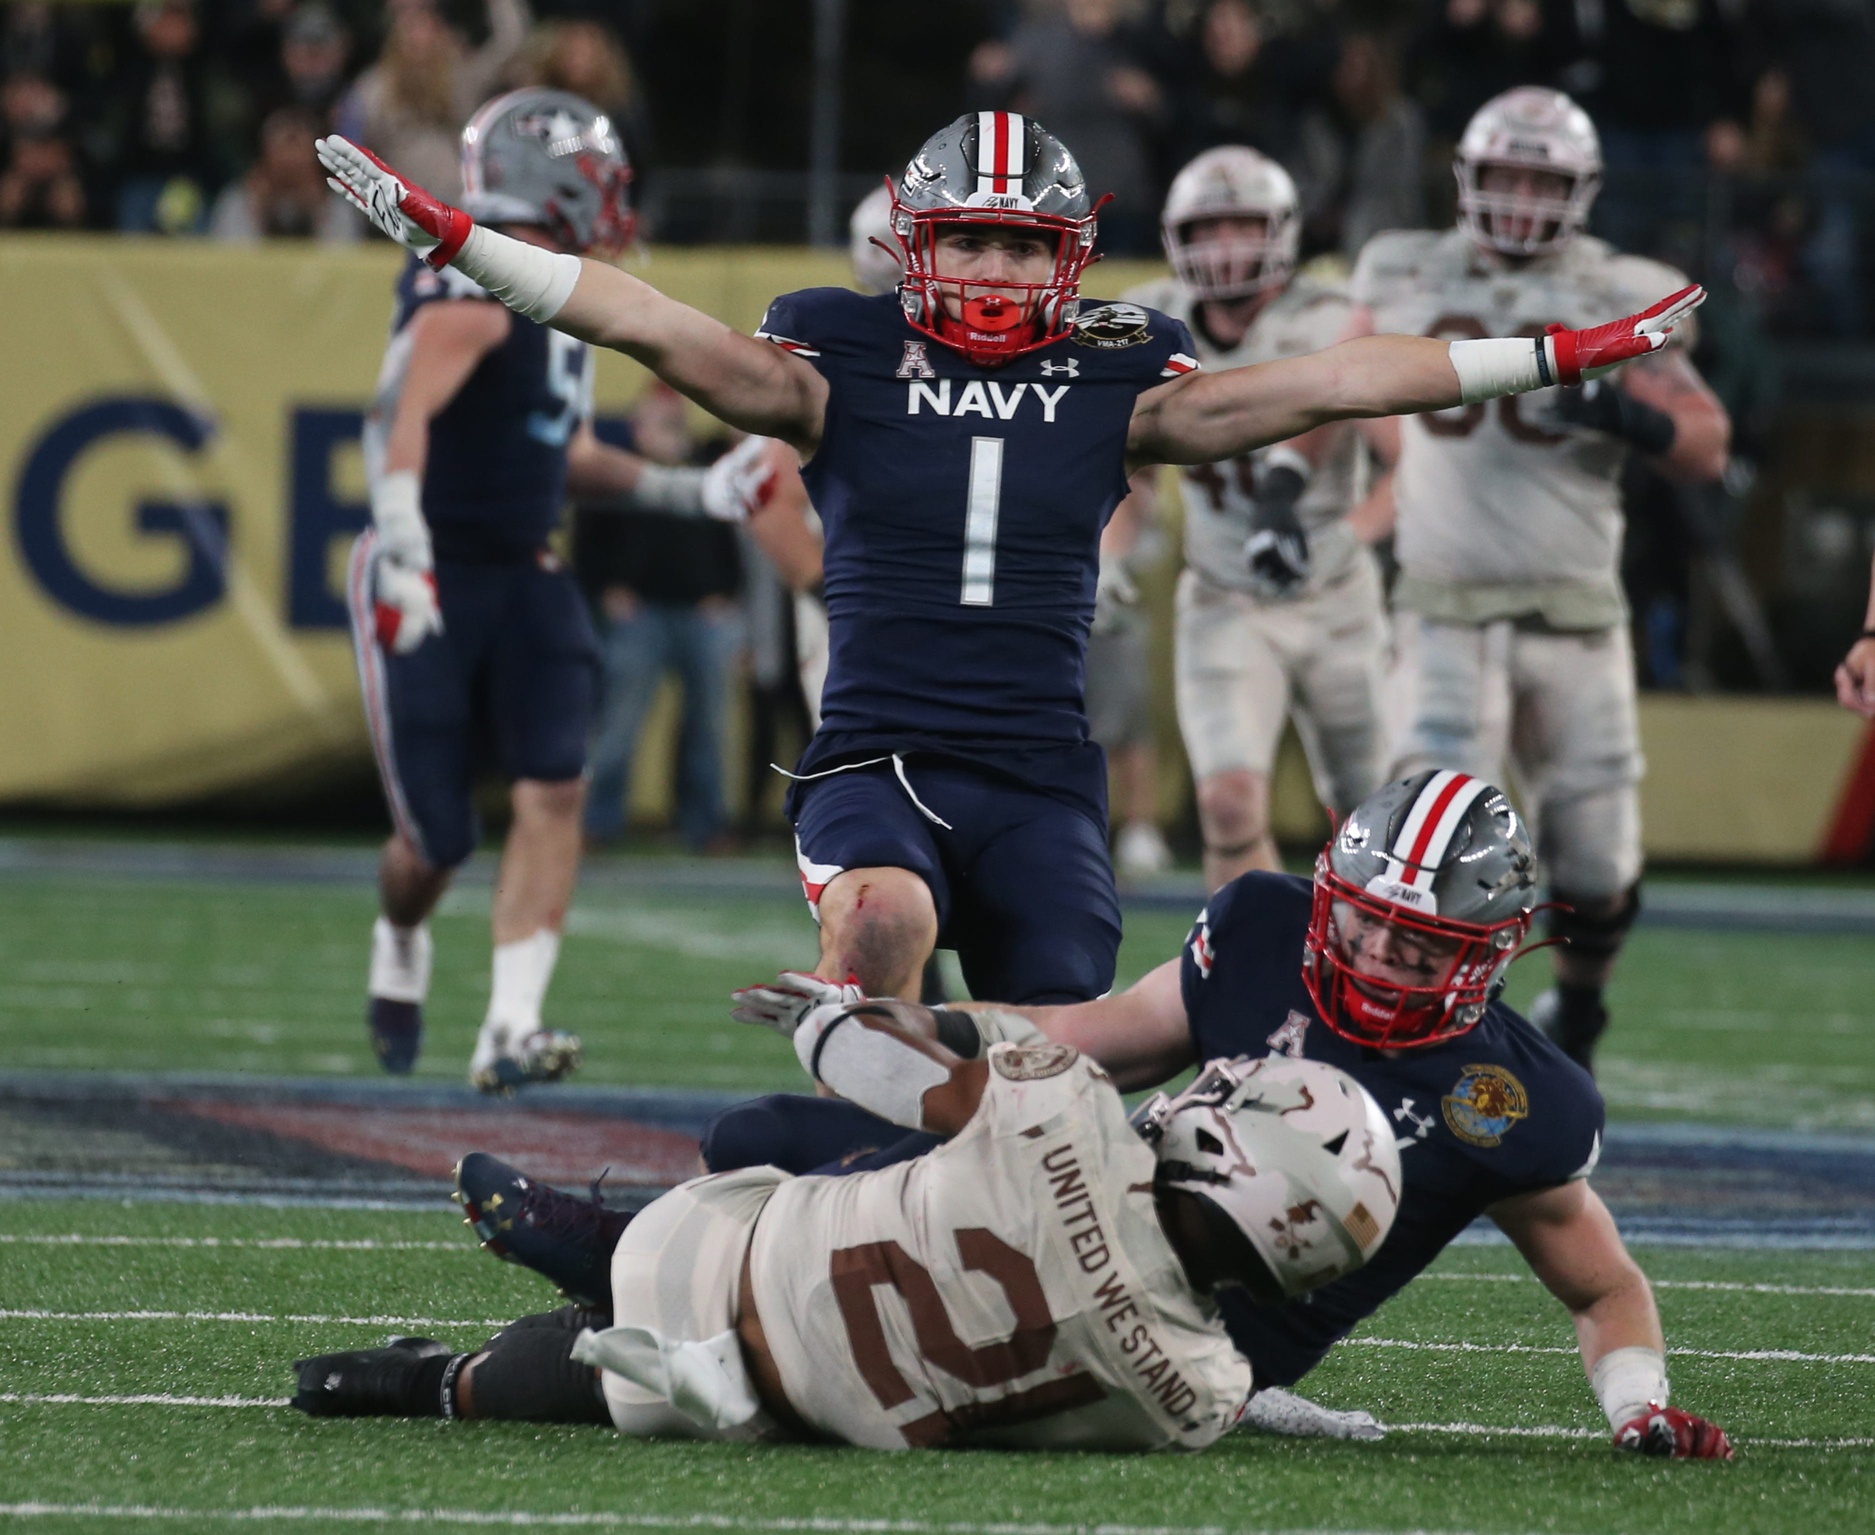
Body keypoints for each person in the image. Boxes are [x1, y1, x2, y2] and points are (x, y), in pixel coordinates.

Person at [318, 107, 1703, 1019]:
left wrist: (1552, 350)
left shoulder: (1121, 369)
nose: (988, 263)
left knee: (1052, 1055)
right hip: (875, 758)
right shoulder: (835, 354)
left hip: (1042, 777)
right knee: (878, 936)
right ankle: (833, 1189)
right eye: (966, 236)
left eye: (1017, 241)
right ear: (915, 245)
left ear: (1068, 254)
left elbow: (1341, 376)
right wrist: (460, 239)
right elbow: (643, 320)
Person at [699, 771, 1735, 1460]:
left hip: (1168, 1335)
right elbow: (1081, 1036)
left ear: (1486, 954)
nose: (1376, 961)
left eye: (1416, 947)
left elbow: (1605, 1286)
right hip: (1074, 1206)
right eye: (1366, 926)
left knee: (840, 1297)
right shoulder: (1264, 928)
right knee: (757, 1138)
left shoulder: (1511, 1100)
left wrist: (1637, 1404)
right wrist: (903, 1022)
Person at [291, 1037, 1404, 1450]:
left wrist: (828, 1015)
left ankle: (589, 1251)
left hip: (726, 1247)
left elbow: (930, 1061)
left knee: (806, 1147)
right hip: (816, 1406)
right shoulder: (1200, 1396)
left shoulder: (1069, 1114)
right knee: (648, 1374)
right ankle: (447, 1381)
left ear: (1231, 1151)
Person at [349, 88, 766, 1090]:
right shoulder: (475, 278)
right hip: (434, 564)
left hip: (527, 566)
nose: (615, 201)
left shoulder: (560, 288)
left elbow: (560, 450)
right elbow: (403, 409)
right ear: (562, 182)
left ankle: (510, 1022)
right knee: (436, 841)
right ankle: (399, 934)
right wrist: (403, 534)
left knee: (556, 786)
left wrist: (685, 487)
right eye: (600, 181)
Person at [1345, 88, 1731, 1071]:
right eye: (1505, 175)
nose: (1519, 197)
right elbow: (1348, 388)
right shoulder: (1404, 268)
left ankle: (1581, 1009)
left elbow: (1706, 444)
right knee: (1423, 852)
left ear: (1582, 192)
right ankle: (1406, 1040)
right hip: (1440, 607)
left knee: (1597, 866)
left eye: (1541, 180)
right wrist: (1382, 486)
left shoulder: (1621, 285)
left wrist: (1625, 415)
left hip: (1573, 611)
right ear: (1468, 179)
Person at [1122, 146, 1386, 890]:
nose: (1225, 248)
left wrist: (1347, 536)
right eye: (1208, 229)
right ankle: (1256, 983)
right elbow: (1129, 470)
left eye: (1243, 227)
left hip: (1335, 597)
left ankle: (1365, 987)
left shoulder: (1335, 316)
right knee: (1228, 803)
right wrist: (1108, 555)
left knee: (1368, 818)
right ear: (1177, 238)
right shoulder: (1147, 322)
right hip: (1223, 592)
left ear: (1281, 232)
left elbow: (1408, 465)